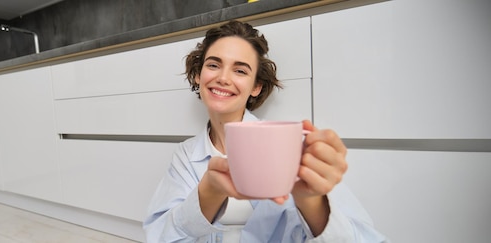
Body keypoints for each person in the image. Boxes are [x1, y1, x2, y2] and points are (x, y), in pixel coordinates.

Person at [143, 20, 388, 242]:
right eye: (214, 65)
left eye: (240, 70)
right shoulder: (186, 155)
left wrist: (311, 201)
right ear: (198, 75)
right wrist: (208, 193)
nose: (223, 78)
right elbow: (159, 236)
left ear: (256, 87)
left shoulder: (290, 146)